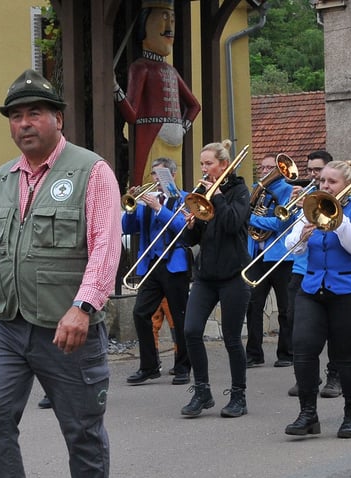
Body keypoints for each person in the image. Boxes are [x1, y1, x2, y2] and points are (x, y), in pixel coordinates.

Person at [0, 69, 121, 478]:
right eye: (16, 115)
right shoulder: (2, 178)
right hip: (6, 326)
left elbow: (105, 246)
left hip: (67, 328)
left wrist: (84, 306)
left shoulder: (91, 170)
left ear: (57, 118)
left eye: (35, 113)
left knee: (81, 428)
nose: (25, 123)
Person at [284, 160, 351, 439]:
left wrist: (336, 219)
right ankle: (308, 414)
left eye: (331, 182)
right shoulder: (310, 207)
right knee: (303, 350)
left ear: (347, 185)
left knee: (346, 357)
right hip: (313, 288)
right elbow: (293, 249)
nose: (324, 186)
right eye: (322, 181)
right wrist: (301, 235)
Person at [179, 140, 251, 418]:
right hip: (206, 275)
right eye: (202, 164)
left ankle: (238, 396)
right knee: (191, 331)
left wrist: (218, 195)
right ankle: (202, 391)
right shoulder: (201, 193)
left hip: (234, 274)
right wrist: (192, 225)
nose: (204, 169)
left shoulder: (240, 190)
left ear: (224, 165)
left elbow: (233, 223)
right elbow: (191, 240)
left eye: (208, 163)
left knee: (232, 338)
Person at [115, 0, 200, 187]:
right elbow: (132, 114)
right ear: (144, 25)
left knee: (174, 185)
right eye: (163, 19)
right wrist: (116, 90)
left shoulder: (171, 70)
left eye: (172, 20)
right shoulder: (140, 67)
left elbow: (195, 105)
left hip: (175, 139)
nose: (170, 28)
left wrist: (183, 127)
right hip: (153, 136)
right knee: (148, 182)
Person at [123, 157, 192, 386]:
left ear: (172, 176)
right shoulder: (144, 201)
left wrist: (159, 208)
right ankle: (149, 366)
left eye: (160, 175)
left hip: (175, 264)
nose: (155, 179)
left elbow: (182, 229)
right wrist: (131, 208)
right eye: (153, 175)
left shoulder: (184, 199)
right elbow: (127, 229)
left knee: (179, 315)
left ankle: (183, 366)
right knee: (140, 313)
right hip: (151, 264)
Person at [287, 150, 333, 396]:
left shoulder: (340, 201)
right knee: (297, 326)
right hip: (301, 270)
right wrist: (296, 209)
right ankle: (307, 377)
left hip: (330, 273)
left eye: (319, 171)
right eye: (311, 171)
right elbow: (291, 239)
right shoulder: (303, 196)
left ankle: (334, 377)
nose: (314, 176)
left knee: (335, 329)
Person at [244, 153, 296, 369]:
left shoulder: (288, 190)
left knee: (286, 307)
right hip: (257, 255)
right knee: (252, 305)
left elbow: (281, 224)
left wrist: (252, 218)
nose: (265, 172)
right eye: (263, 168)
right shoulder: (257, 190)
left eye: (270, 168)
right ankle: (254, 354)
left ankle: (286, 353)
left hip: (282, 257)